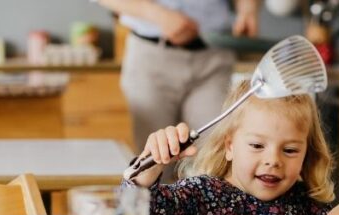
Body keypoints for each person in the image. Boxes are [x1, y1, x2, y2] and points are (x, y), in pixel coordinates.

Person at [126, 80, 339, 215]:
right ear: (229, 146)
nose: (273, 160)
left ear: (307, 154)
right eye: (256, 145)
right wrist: (147, 172)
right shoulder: (201, 194)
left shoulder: (305, 202)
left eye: (290, 150)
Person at [97, 0, 259, 181]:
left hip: (215, 55)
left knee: (215, 158)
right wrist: (158, 14)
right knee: (154, 161)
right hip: (151, 57)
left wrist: (247, 9)